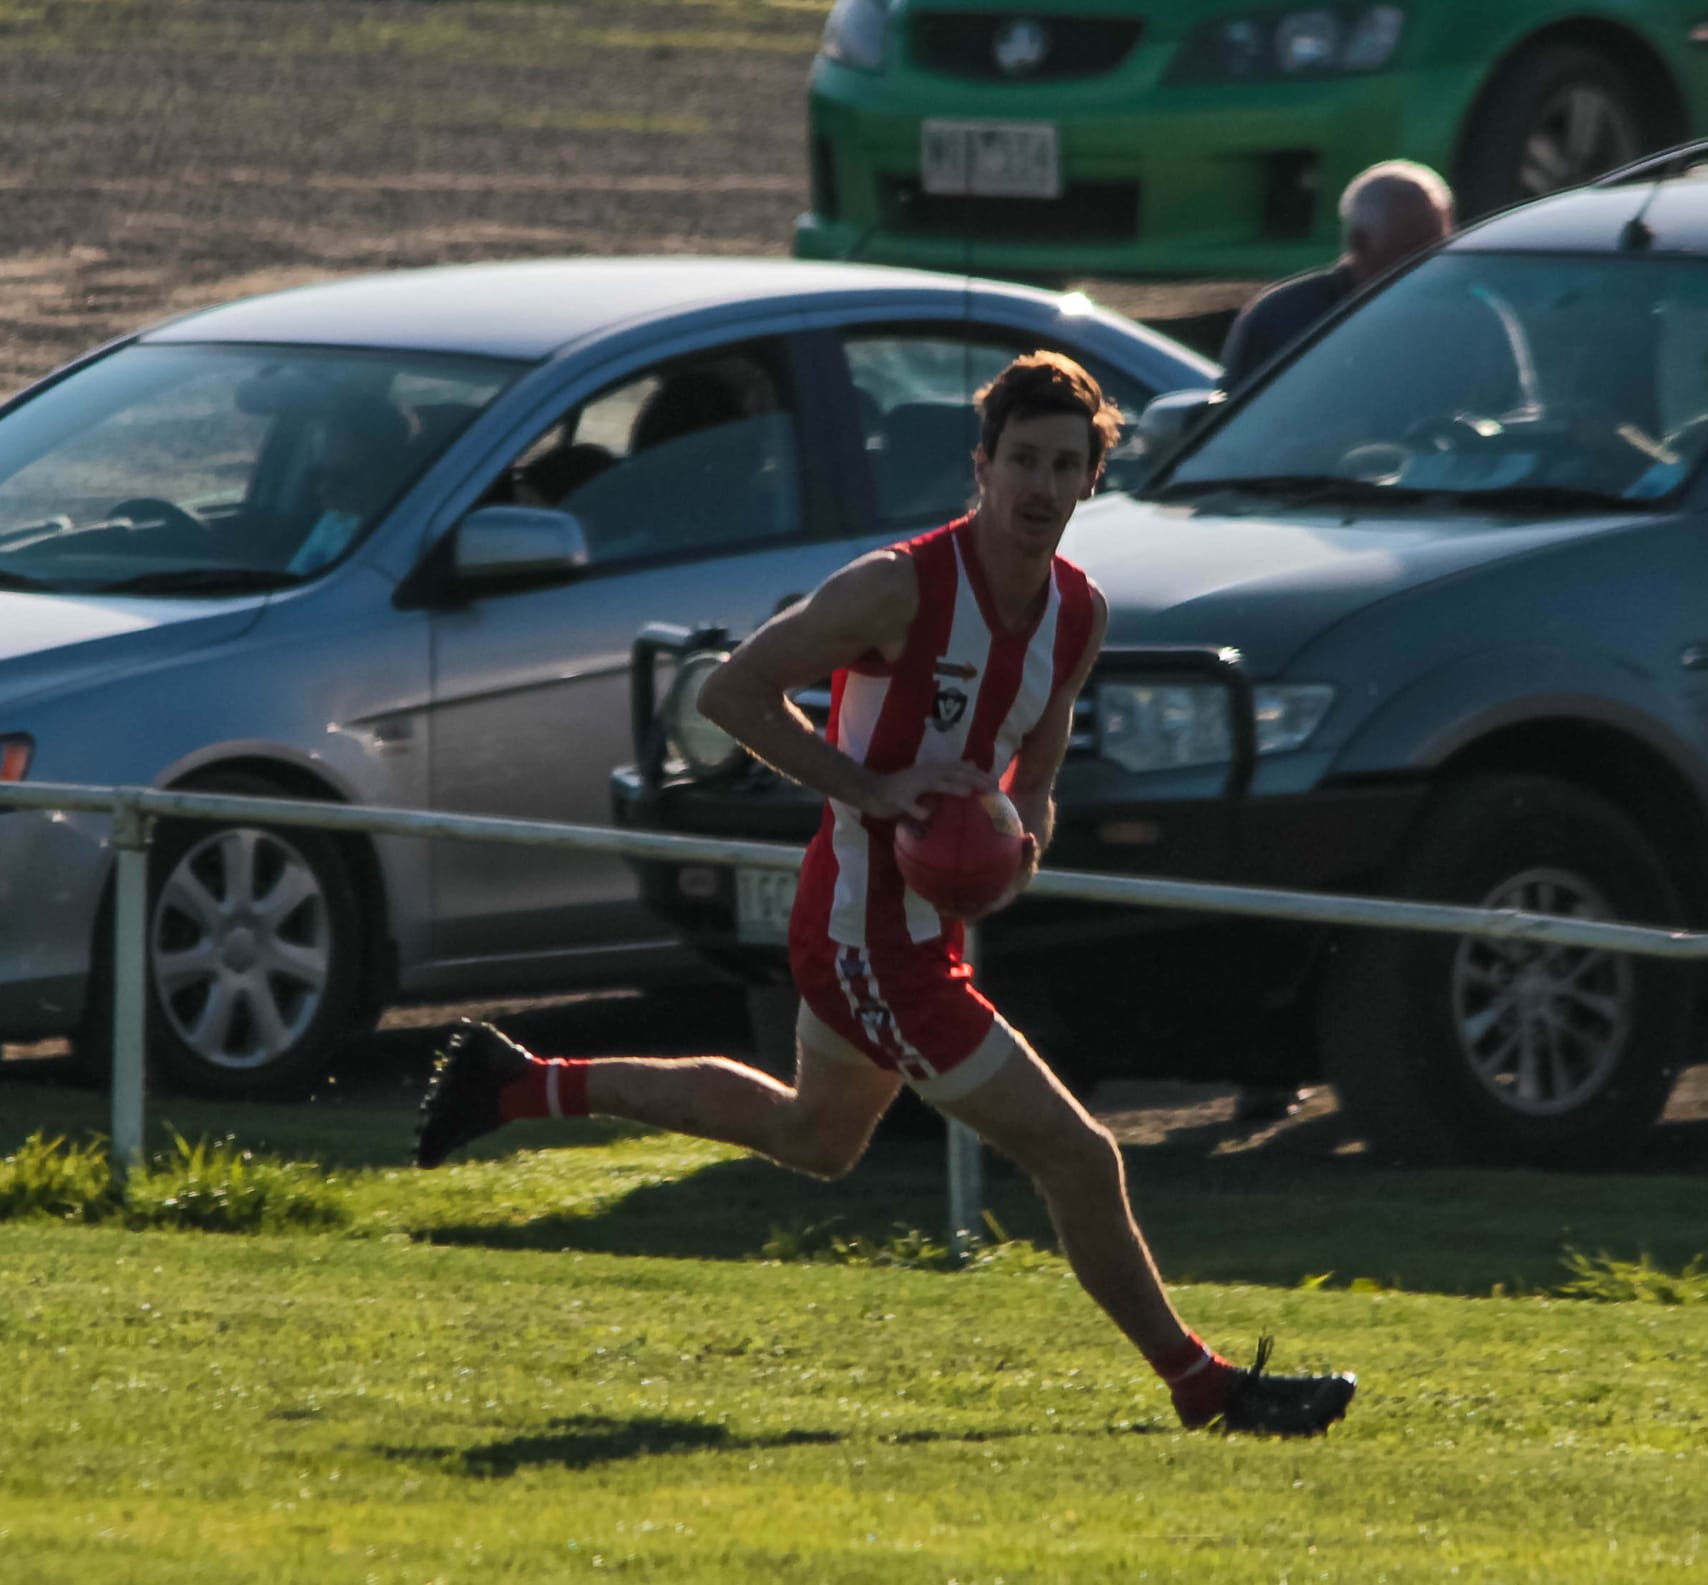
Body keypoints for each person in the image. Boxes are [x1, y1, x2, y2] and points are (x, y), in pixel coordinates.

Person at [414, 351, 1358, 1437]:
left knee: (817, 1136)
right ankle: (1206, 1387)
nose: (1038, 486)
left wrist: (1018, 848)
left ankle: (515, 1084)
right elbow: (730, 691)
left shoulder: (1075, 613)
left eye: (1062, 464)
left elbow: (1038, 769)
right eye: (1019, 461)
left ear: (1093, 479)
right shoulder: (897, 585)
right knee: (1079, 1154)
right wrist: (871, 788)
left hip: (926, 927)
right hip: (866, 931)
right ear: (981, 466)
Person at [1218, 159, 1455, 393]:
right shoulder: (1282, 321)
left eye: (1439, 247)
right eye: (1413, 247)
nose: (1429, 261)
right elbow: (1232, 419)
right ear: (1359, 243)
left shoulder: (1465, 319)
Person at [286, 396, 413, 575]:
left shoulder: (400, 529)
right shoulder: (330, 517)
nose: (322, 489)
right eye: (320, 476)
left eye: (343, 479)